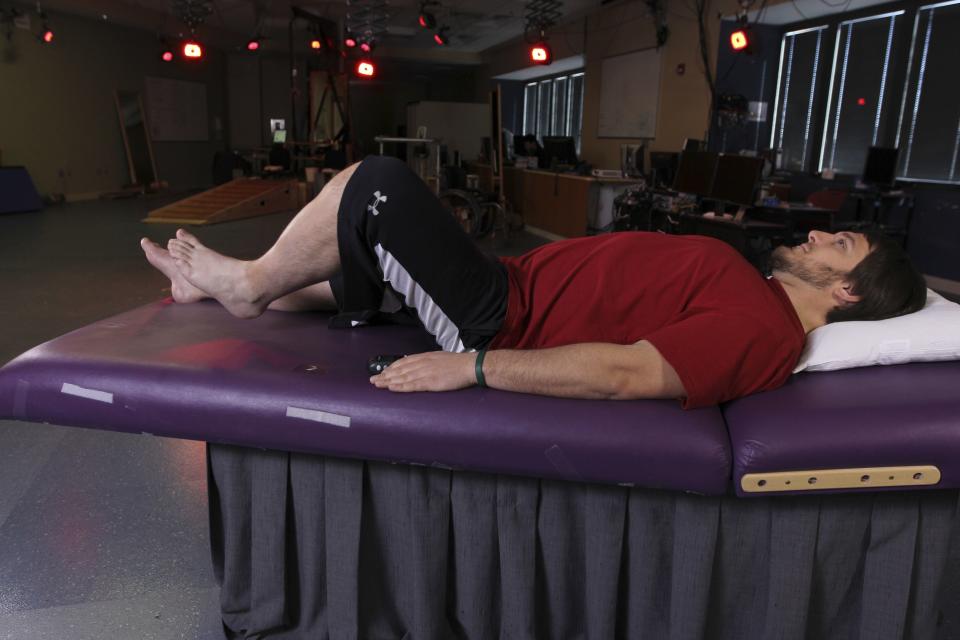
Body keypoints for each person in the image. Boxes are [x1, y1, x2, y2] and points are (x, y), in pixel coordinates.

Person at [140, 156, 927, 408]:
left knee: (373, 184)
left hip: (501, 319)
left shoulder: (764, 329)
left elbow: (629, 374)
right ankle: (212, 288)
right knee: (365, 258)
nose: (820, 232)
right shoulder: (752, 289)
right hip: (509, 282)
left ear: (848, 291)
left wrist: (475, 365)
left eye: (840, 242)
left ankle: (245, 286)